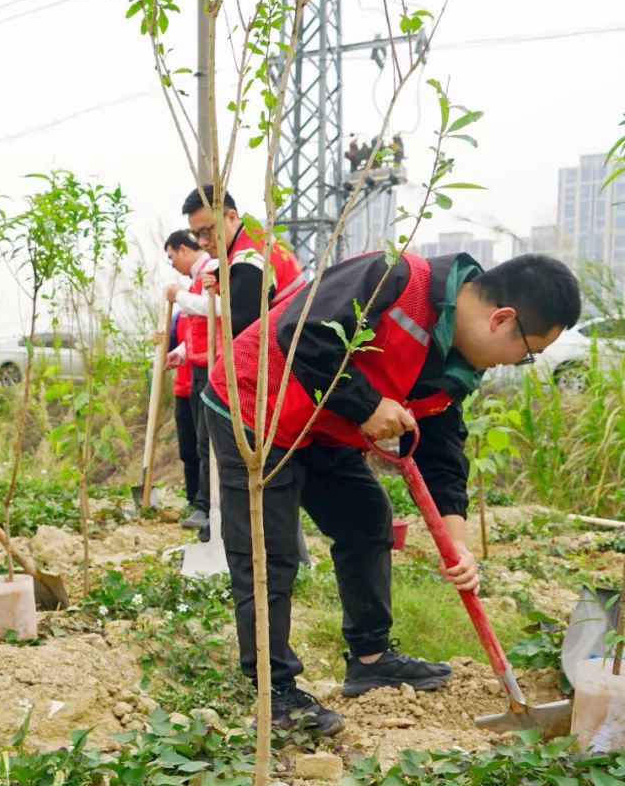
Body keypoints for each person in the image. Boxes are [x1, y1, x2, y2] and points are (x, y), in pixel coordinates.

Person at [202, 249, 581, 737]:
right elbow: (302, 334)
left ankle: (371, 658)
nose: (520, 363)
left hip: (323, 426)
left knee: (365, 518)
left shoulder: (457, 365)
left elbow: (442, 451)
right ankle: (273, 692)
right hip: (257, 404)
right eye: (528, 352)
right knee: (269, 553)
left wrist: (457, 542)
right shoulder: (394, 276)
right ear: (502, 319)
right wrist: (365, 405)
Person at [170, 186, 305, 537]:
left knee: (247, 457)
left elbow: (243, 326)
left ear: (231, 217)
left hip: (278, 370)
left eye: (207, 230)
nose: (204, 241)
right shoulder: (254, 244)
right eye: (197, 234)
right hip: (288, 365)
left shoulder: (249, 257)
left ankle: (238, 534)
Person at [158, 229, 201, 507]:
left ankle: (204, 505)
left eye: (172, 256)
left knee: (205, 450)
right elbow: (176, 344)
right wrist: (165, 341)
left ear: (183, 249)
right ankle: (192, 501)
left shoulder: (198, 297)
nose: (172, 263)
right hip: (183, 388)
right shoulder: (181, 314)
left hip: (203, 384)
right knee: (188, 450)